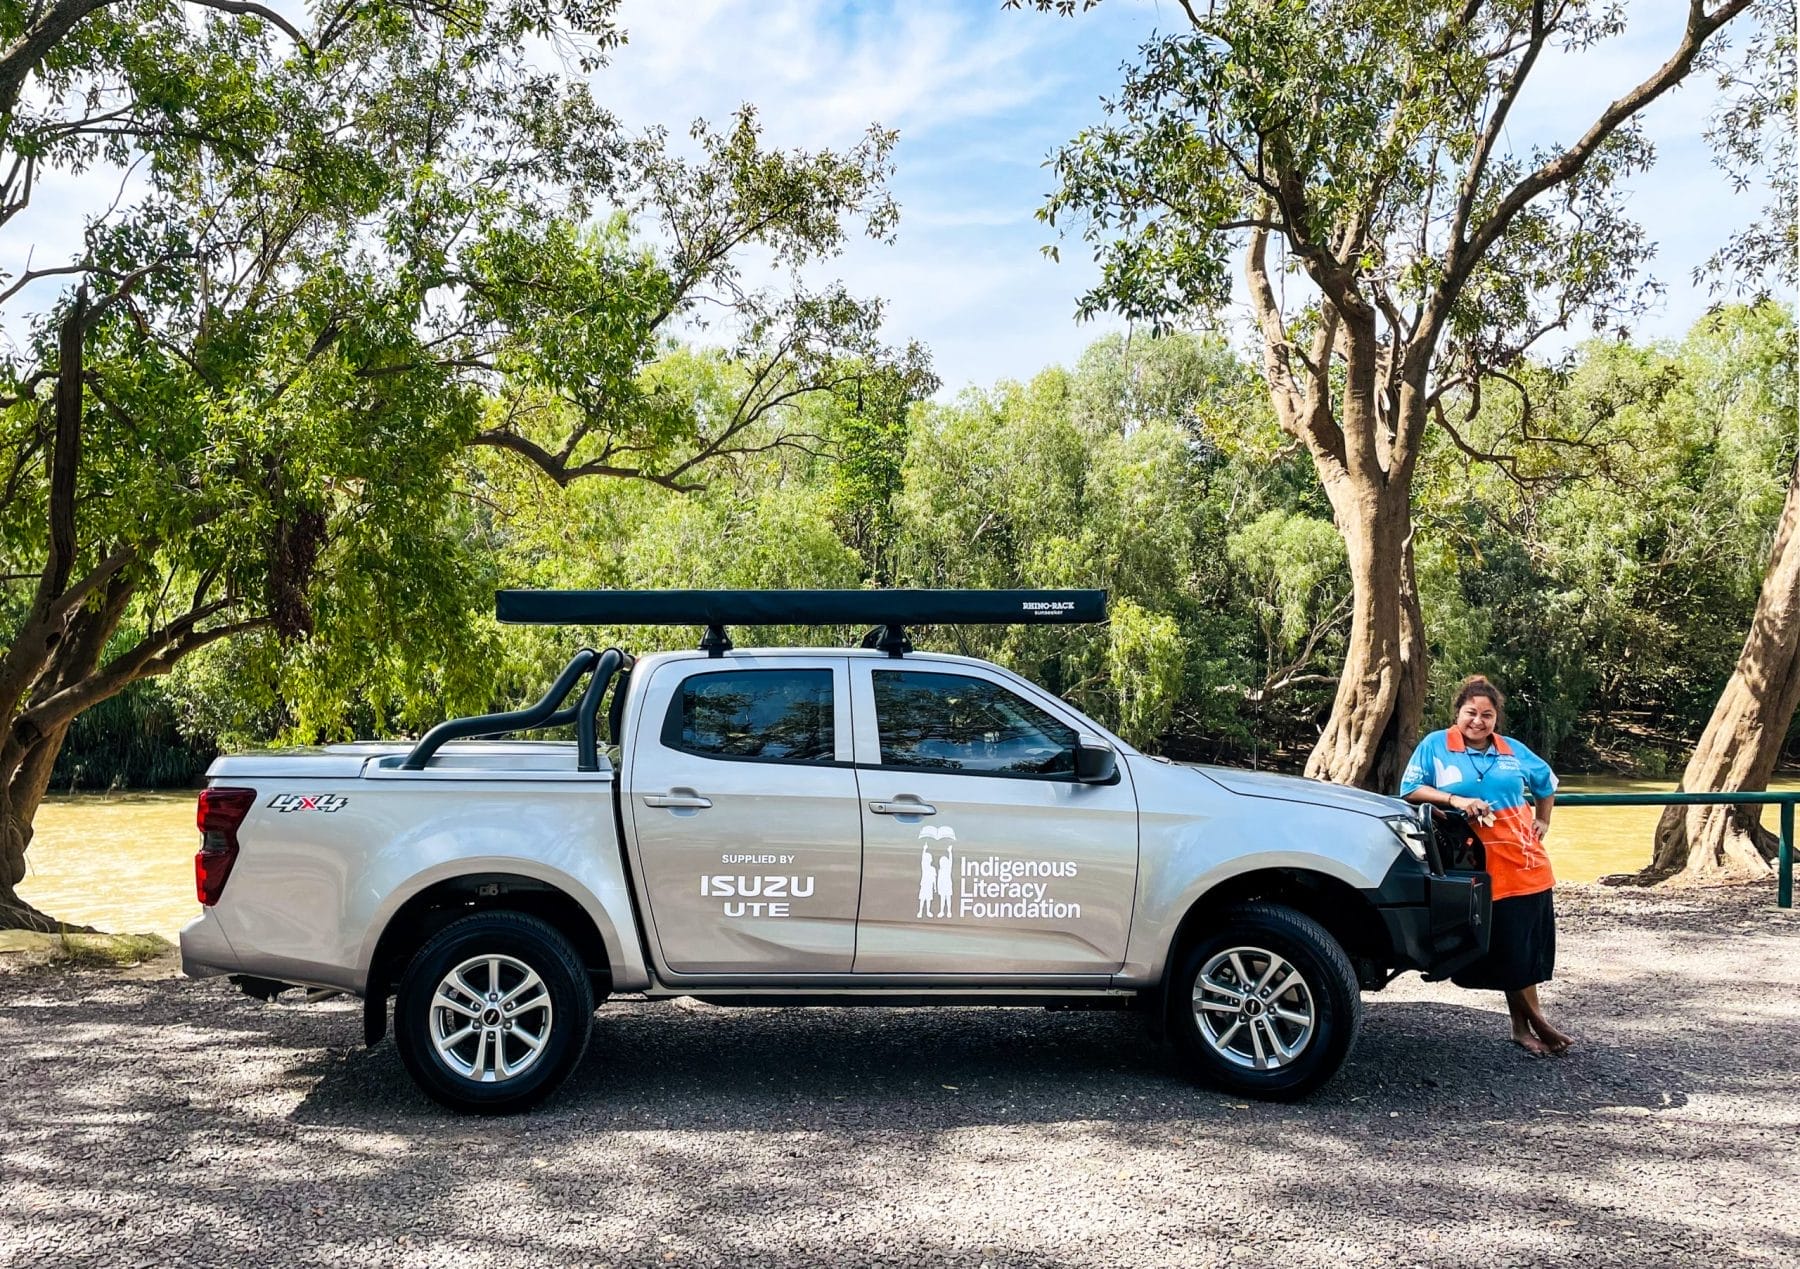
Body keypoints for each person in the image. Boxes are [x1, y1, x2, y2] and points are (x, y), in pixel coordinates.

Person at [1400, 675, 1572, 1056]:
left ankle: (1524, 1025)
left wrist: (1544, 820)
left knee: (1523, 947)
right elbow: (1409, 789)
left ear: (1497, 719)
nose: (1478, 721)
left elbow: (1547, 783)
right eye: (1471, 713)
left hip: (1525, 862)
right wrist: (1456, 801)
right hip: (1471, 865)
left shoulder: (1511, 750)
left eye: (1487, 715)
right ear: (1458, 713)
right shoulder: (1435, 746)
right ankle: (1536, 1022)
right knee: (1503, 946)